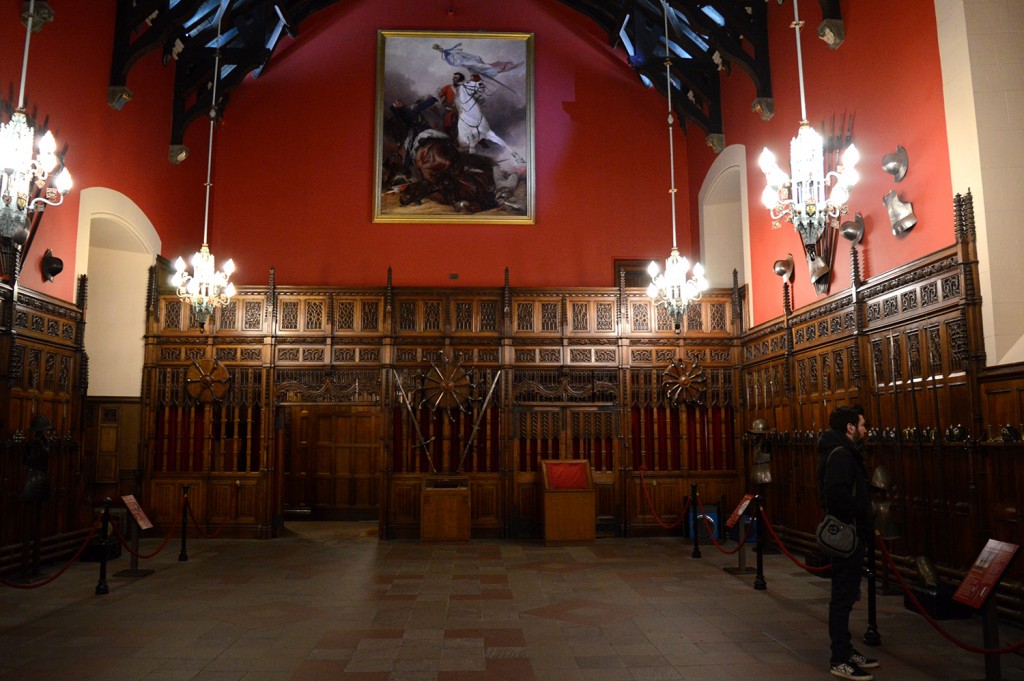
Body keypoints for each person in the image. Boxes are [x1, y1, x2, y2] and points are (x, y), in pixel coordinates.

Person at [819, 406, 879, 680]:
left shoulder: (844, 451)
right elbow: (836, 495)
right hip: (848, 535)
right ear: (850, 428)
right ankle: (839, 658)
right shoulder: (842, 455)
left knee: (847, 594)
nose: (866, 429)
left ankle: (846, 648)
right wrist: (863, 511)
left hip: (853, 532)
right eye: (862, 424)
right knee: (842, 597)